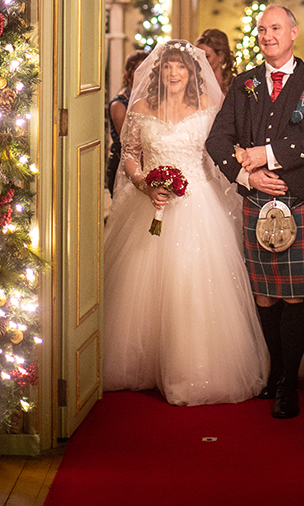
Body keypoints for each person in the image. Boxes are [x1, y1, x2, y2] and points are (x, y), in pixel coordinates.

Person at [102, 39, 268, 405]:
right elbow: (130, 154)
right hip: (151, 203)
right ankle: (144, 363)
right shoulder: (142, 106)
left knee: (192, 282)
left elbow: (224, 150)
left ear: (193, 73)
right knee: (144, 285)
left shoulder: (208, 105)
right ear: (157, 72)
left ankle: (192, 368)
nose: (174, 73)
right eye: (167, 67)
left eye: (181, 67)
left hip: (199, 204)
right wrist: (145, 183)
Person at [206, 4, 304, 419]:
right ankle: (274, 373)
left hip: (301, 201)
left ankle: (288, 383)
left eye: (277, 28)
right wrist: (248, 178)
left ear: (294, 32)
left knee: (296, 293)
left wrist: (265, 155)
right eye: (262, 29)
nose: (268, 35)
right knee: (266, 296)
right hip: (257, 200)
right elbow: (217, 139)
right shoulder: (245, 84)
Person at [106, 49, 148, 195]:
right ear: (128, 75)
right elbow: (128, 141)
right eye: (139, 72)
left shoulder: (149, 100)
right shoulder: (119, 104)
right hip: (122, 166)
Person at [196, 27, 236, 96]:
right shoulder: (194, 87)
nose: (200, 62)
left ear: (221, 56)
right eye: (198, 57)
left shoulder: (234, 86)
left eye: (206, 57)